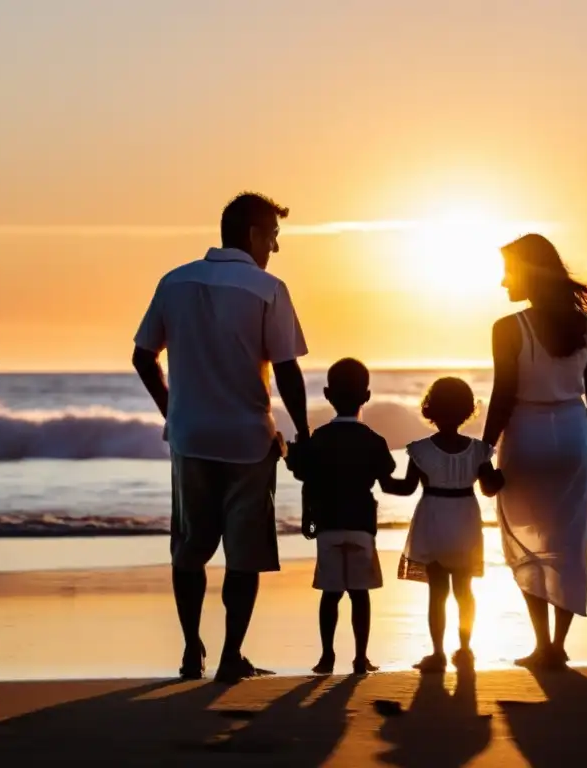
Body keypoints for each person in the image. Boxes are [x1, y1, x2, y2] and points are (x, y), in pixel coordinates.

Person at [132, 192, 310, 684]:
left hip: (190, 440)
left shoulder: (175, 281)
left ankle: (192, 651)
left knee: (189, 547)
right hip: (249, 441)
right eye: (273, 237)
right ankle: (232, 654)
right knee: (244, 552)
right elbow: (288, 369)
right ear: (253, 234)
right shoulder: (267, 288)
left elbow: (143, 357)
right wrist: (303, 436)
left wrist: (175, 410)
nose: (274, 248)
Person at [482, 233, 587, 670]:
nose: (502, 282)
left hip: (525, 436)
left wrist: (484, 452)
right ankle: (558, 646)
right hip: (572, 435)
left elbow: (503, 394)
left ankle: (540, 642)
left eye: (508, 270)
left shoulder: (508, 328)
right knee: (567, 543)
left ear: (528, 271)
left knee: (525, 540)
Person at [382, 377, 504, 673]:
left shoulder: (421, 450)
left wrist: (380, 478)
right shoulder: (478, 450)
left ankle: (437, 653)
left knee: (437, 591)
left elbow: (406, 488)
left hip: (433, 517)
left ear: (430, 410)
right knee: (465, 589)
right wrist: (505, 475)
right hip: (465, 519)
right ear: (467, 411)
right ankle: (464, 650)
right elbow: (489, 488)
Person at [284, 358, 395, 676]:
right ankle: (361, 658)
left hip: (328, 524)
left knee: (330, 593)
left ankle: (327, 656)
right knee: (360, 594)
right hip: (361, 524)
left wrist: (292, 453)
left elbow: (304, 475)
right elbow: (387, 480)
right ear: (367, 395)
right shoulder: (374, 440)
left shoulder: (318, 439)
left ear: (328, 394)